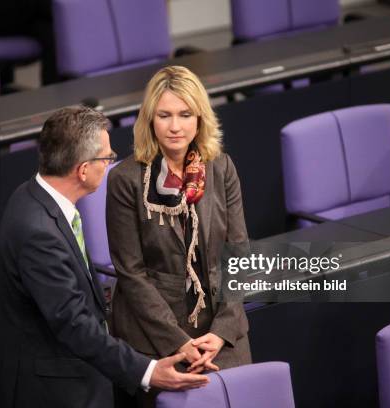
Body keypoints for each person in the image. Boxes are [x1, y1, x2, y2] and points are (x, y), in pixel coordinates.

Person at [0, 105, 209, 408]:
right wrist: (147, 371)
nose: (109, 163)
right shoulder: (38, 233)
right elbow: (74, 324)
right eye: (106, 158)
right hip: (53, 392)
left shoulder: (31, 195)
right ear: (82, 169)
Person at [107, 66, 252, 404]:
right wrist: (178, 341)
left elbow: (240, 254)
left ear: (200, 118)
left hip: (220, 326)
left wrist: (221, 333)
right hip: (156, 332)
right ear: (149, 119)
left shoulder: (221, 167)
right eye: (165, 115)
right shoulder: (126, 179)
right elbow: (131, 273)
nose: (175, 126)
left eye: (185, 114)